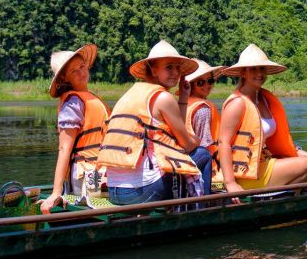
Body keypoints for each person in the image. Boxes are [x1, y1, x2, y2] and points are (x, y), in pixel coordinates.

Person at [97, 40, 210, 205]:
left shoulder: (129, 94)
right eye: (169, 67)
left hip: (115, 191)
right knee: (203, 153)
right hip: (142, 191)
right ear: (153, 69)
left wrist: (184, 97)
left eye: (178, 67)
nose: (175, 73)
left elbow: (172, 135)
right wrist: (196, 139)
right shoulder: (163, 98)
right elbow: (186, 145)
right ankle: (202, 213)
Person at [217, 44, 307, 197]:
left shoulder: (264, 98)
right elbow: (223, 143)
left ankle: (283, 198)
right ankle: (284, 199)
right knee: (306, 165)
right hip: (246, 173)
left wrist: (296, 151)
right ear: (243, 72)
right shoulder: (237, 103)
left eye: (262, 69)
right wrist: (230, 183)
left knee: (306, 157)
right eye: (253, 69)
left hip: (263, 161)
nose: (259, 73)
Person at [40, 43, 110, 214]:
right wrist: (56, 192)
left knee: (101, 206)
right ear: (65, 79)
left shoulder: (90, 98)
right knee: (95, 210)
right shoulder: (73, 103)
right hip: (88, 172)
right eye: (74, 71)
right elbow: (64, 148)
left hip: (100, 169)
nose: (82, 72)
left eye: (82, 66)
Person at [181, 59, 226, 193]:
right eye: (201, 82)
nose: (207, 85)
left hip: (187, 164)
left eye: (210, 81)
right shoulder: (203, 109)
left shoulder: (183, 104)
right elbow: (204, 147)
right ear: (191, 84)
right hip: (210, 172)